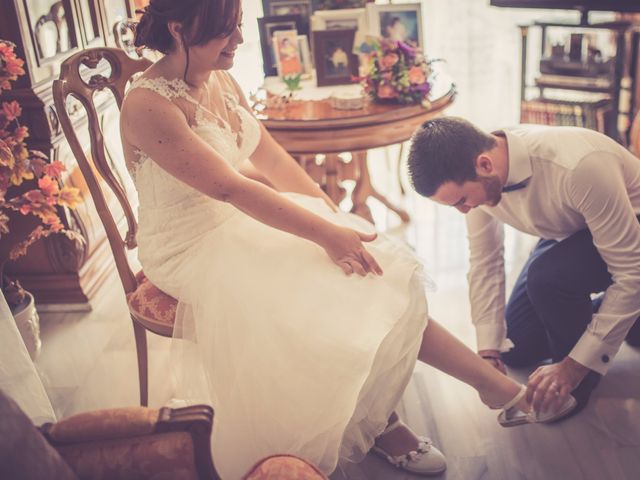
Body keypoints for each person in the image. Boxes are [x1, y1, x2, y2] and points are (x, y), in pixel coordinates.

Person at [122, 2, 570, 478]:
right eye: (224, 33)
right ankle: (383, 425)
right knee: (319, 286)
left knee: (374, 268)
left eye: (237, 28)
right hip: (187, 244)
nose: (238, 41)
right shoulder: (148, 105)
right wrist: (326, 234)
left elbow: (271, 159)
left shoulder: (220, 78)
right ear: (178, 28)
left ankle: (487, 390)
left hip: (237, 220)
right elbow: (230, 187)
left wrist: (335, 219)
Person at [408, 117, 640, 421]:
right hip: (571, 230)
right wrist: (487, 351)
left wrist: (573, 365)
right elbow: (485, 261)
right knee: (515, 347)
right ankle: (625, 317)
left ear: (485, 165)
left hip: (632, 232)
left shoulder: (580, 164)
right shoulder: (478, 177)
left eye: (462, 201)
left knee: (546, 278)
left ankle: (578, 384)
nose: (463, 210)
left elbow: (632, 272)